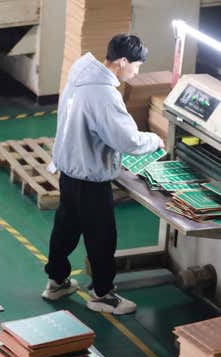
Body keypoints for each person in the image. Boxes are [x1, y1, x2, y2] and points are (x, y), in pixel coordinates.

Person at [41, 34, 165, 315]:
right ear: (122, 62)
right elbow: (126, 140)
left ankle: (57, 281)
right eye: (136, 65)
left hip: (69, 169)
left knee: (66, 228)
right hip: (90, 179)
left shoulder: (80, 71)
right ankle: (102, 294)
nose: (137, 72)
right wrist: (154, 140)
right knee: (101, 237)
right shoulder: (104, 94)